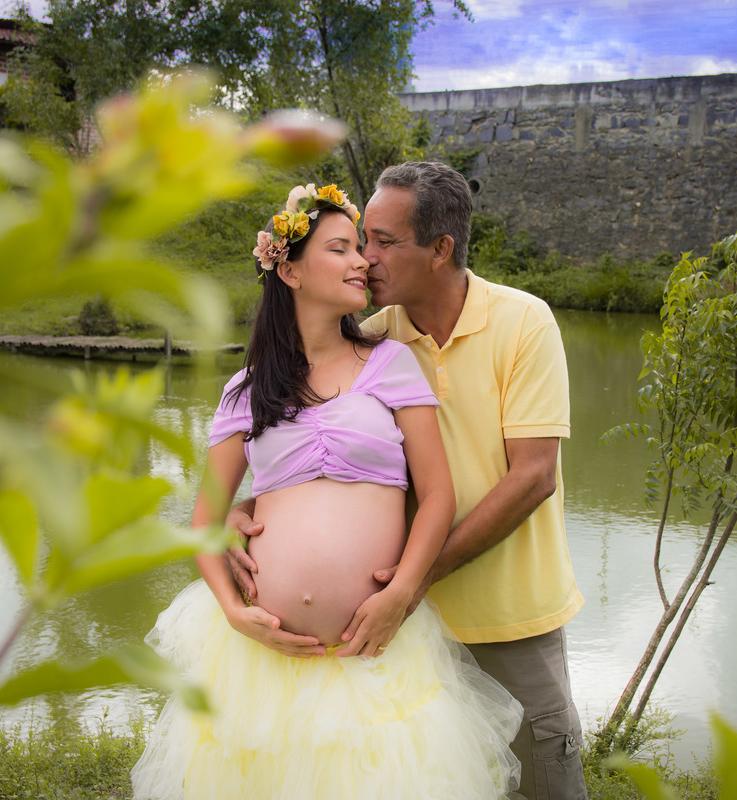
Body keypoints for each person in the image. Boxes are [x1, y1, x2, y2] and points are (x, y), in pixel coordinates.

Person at [131, 182, 522, 800]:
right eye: (340, 248)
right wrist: (236, 616)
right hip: (262, 661)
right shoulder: (245, 390)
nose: (361, 260)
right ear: (288, 268)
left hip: (371, 649)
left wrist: (400, 591)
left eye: (360, 247)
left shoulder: (390, 363)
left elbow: (438, 496)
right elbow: (205, 522)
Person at [230, 162, 588, 800]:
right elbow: (325, 456)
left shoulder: (523, 323)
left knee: (542, 781)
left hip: (505, 617)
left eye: (383, 242)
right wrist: (248, 511)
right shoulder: (370, 338)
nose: (366, 259)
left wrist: (410, 583)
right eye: (360, 240)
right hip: (394, 638)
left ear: (441, 248)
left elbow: (533, 477)